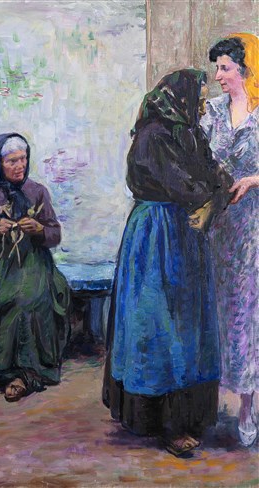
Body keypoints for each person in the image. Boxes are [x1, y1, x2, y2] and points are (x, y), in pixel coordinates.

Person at [102, 69, 234, 457]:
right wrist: (211, 195)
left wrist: (215, 194)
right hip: (155, 237)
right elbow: (189, 186)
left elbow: (220, 178)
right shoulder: (154, 136)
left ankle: (187, 416)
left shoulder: (190, 134)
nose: (204, 107)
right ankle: (164, 423)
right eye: (200, 100)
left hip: (184, 237)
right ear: (180, 99)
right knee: (159, 325)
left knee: (189, 325)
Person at [0, 133, 70, 403]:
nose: (20, 166)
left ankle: (26, 373)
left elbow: (54, 234)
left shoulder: (37, 192)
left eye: (23, 159)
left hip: (31, 260)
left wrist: (39, 229)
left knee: (30, 299)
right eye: (12, 161)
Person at [201, 33, 259, 447]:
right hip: (217, 227)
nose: (218, 76)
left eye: (224, 68)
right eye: (217, 68)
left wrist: (253, 180)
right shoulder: (212, 113)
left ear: (246, 69)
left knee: (248, 314)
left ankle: (247, 406)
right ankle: (207, 402)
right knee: (216, 310)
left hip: (253, 230)